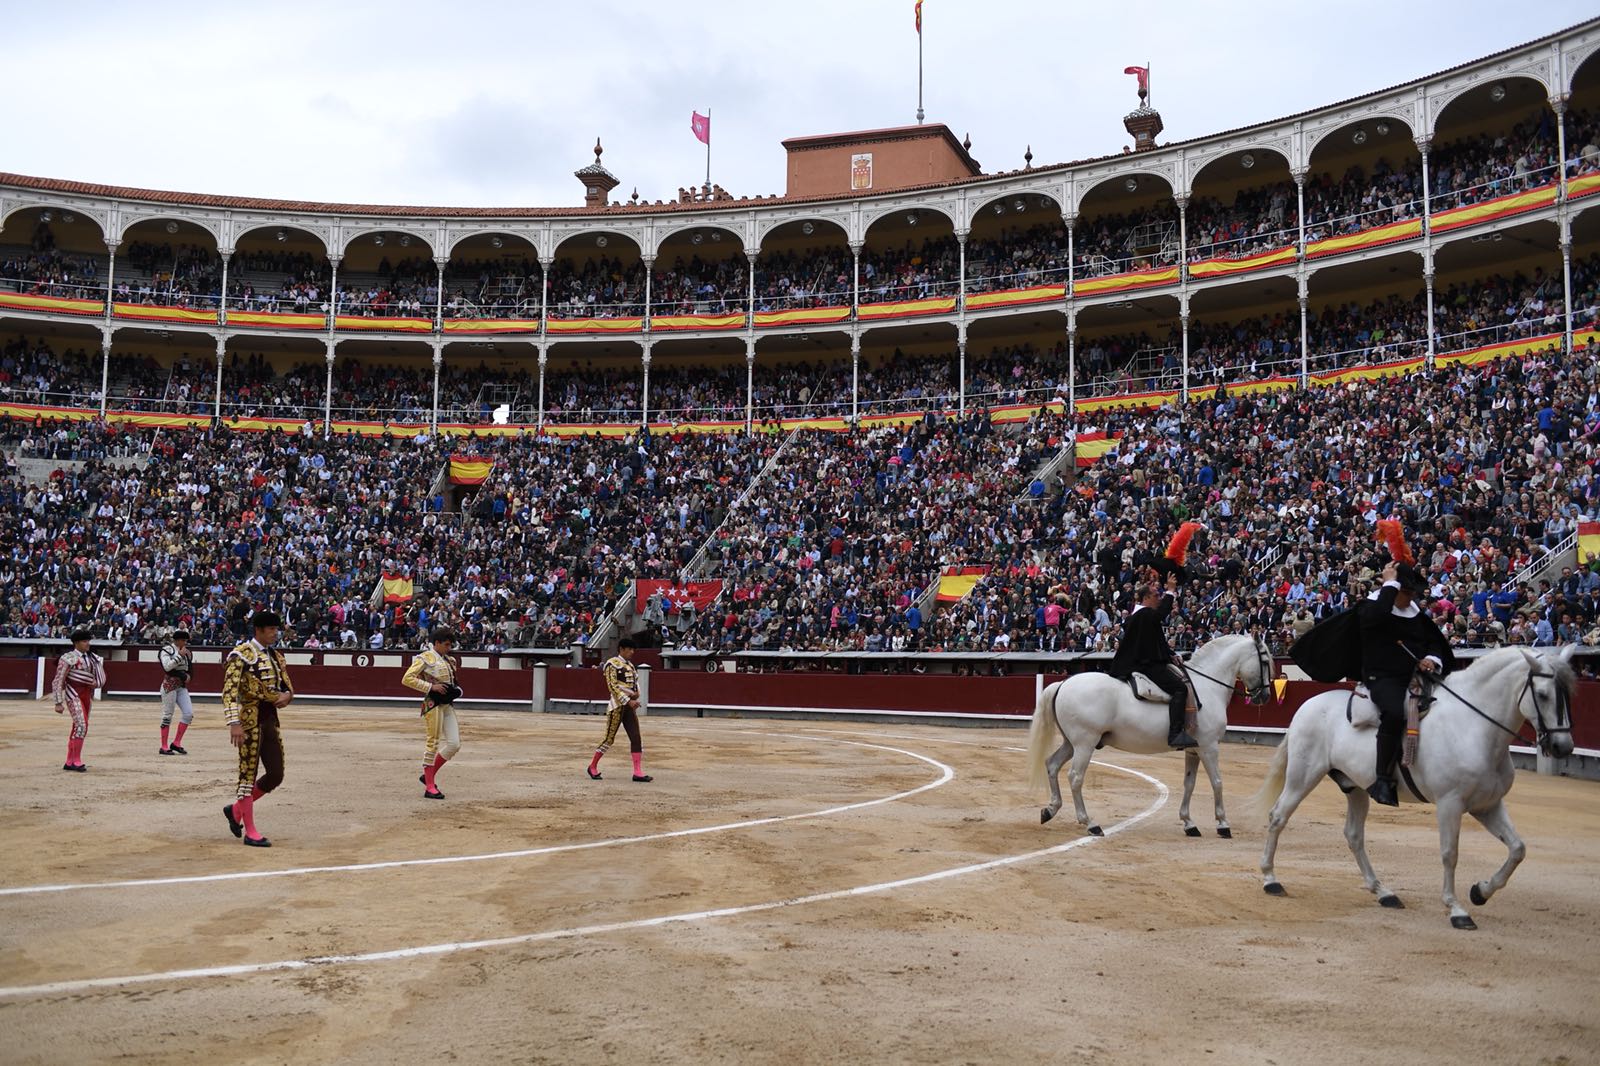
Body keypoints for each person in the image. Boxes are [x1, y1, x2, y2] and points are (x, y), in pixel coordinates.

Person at [1358, 561, 1456, 806]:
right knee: (1393, 713)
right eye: (1407, 592)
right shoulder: (1373, 606)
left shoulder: (1413, 611)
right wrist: (1389, 585)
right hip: (1383, 676)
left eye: (1413, 592)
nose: (1412, 597)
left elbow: (1433, 641)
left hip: (1416, 676)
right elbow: (1376, 619)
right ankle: (1382, 779)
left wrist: (1432, 659)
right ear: (1393, 590)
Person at [221, 611, 294, 847]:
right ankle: (250, 831)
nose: (275, 633)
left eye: (276, 629)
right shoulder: (241, 654)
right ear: (259, 630)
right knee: (247, 775)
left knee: (276, 774)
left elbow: (286, 687)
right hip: (249, 720)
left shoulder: (275, 656)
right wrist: (234, 723)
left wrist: (288, 696)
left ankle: (236, 810)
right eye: (271, 629)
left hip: (270, 718)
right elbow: (229, 692)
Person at [1107, 571, 1196, 749]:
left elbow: (1153, 641)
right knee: (1179, 688)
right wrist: (1170, 591)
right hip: (1146, 665)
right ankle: (1175, 733)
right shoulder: (1144, 614)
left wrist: (1170, 654)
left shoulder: (1139, 616)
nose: (1159, 599)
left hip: (1139, 662)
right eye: (1156, 596)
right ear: (1146, 598)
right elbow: (1161, 614)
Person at [402, 627, 462, 799]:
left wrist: (456, 690)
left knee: (454, 744)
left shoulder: (449, 660)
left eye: (450, 645)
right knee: (433, 742)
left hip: (447, 705)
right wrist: (431, 687)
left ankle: (428, 775)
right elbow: (407, 678)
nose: (449, 648)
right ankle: (429, 786)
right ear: (437, 643)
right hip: (433, 704)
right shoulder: (426, 657)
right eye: (446, 644)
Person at [587, 636, 651, 782]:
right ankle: (592, 766)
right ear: (621, 649)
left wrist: (637, 694)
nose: (632, 652)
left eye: (633, 649)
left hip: (629, 706)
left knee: (636, 738)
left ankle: (637, 772)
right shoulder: (612, 664)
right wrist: (628, 701)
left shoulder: (631, 666)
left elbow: (635, 683)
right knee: (609, 739)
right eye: (629, 649)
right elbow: (612, 686)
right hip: (616, 706)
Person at [52, 629, 105, 772]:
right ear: (76, 643)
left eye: (88, 641)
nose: (88, 644)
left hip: (87, 695)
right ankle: (76, 760)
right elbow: (58, 680)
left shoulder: (92, 658)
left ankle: (70, 761)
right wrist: (58, 702)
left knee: (79, 726)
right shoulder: (67, 658)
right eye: (84, 641)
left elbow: (98, 677)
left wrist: (96, 683)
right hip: (73, 694)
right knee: (81, 725)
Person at [158, 629, 194, 755]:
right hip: (169, 686)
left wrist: (189, 676)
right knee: (167, 715)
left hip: (181, 687)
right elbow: (167, 667)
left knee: (188, 714)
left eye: (186, 640)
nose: (185, 643)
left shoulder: (186, 651)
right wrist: (180, 656)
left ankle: (176, 743)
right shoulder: (167, 650)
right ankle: (163, 746)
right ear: (177, 640)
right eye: (183, 640)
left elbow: (189, 668)